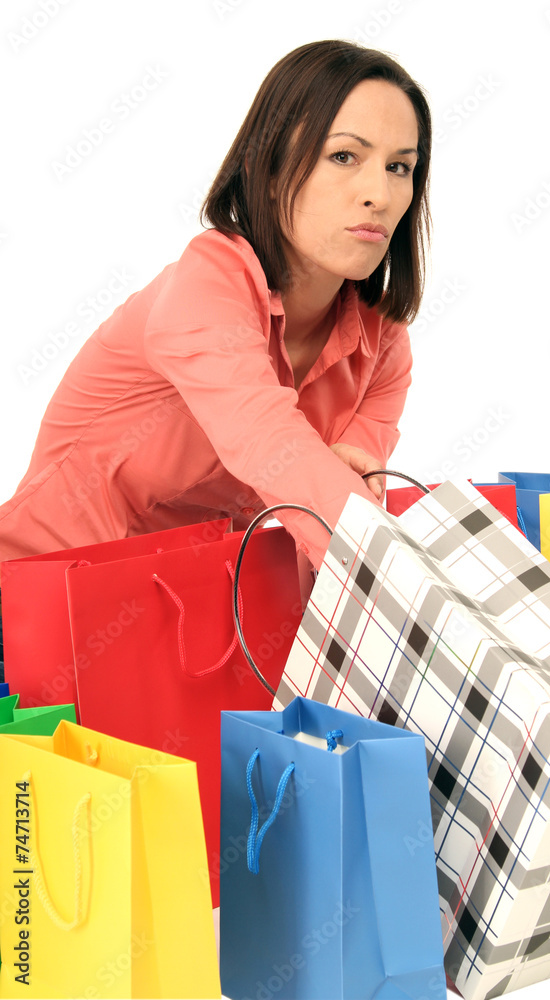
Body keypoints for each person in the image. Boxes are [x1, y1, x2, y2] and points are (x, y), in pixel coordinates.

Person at [0, 39, 432, 676]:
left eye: (400, 167)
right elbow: (270, 442)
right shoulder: (208, 283)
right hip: (50, 609)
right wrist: (426, 604)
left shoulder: (383, 345)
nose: (381, 194)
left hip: (195, 630)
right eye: (344, 156)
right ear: (271, 166)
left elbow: (340, 507)